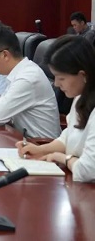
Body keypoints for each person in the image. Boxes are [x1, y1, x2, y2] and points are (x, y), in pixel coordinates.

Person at [18, 36, 95, 181]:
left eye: (61, 78)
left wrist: (62, 158)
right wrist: (40, 150)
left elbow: (86, 171)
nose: (57, 84)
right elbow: (69, 136)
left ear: (82, 75)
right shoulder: (80, 98)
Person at [0, 26, 60, 138]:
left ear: (5, 55)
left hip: (39, 144)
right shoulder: (21, 70)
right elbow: (2, 102)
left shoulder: (27, 78)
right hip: (22, 138)